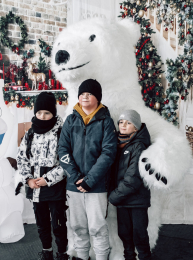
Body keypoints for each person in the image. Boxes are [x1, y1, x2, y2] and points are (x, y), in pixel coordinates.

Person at [58, 79, 117, 260]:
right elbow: (62, 150)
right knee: (78, 227)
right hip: (73, 185)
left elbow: (108, 153)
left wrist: (90, 180)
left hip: (97, 186)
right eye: (82, 93)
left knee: (97, 227)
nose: (85, 96)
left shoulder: (106, 121)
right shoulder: (70, 120)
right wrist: (76, 177)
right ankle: (82, 257)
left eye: (89, 93)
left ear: (97, 98)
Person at [17, 92, 68, 260]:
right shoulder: (30, 134)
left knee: (58, 224)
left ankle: (62, 253)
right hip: (35, 187)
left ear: (53, 113)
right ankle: (47, 252)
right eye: (39, 113)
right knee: (42, 223)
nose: (42, 116)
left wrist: (48, 179)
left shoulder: (61, 132)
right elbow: (22, 159)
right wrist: (28, 179)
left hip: (54, 187)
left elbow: (66, 162)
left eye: (47, 113)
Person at [108, 109, 152, 260]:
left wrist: (113, 196)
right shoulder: (117, 143)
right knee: (124, 234)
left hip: (137, 200)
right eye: (121, 122)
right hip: (122, 200)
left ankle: (145, 257)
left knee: (139, 234)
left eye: (128, 123)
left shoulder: (139, 145)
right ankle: (129, 257)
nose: (123, 126)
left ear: (136, 127)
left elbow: (133, 177)